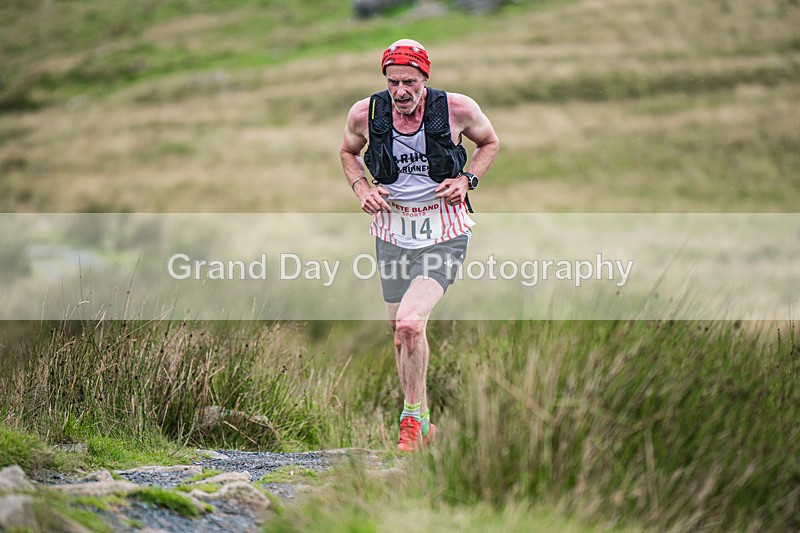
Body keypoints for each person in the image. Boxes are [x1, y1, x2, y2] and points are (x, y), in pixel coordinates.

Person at [340, 39, 499, 451]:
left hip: (444, 232)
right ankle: (425, 423)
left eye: (409, 82)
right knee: (400, 334)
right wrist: (362, 189)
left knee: (410, 324)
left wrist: (467, 180)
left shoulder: (456, 109)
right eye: (393, 82)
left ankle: (410, 423)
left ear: (424, 78)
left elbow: (489, 142)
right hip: (392, 235)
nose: (400, 91)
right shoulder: (365, 114)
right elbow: (348, 152)